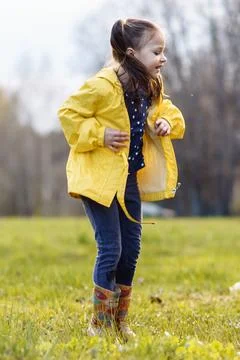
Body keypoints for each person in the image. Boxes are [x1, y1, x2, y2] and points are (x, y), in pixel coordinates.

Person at [57, 18, 185, 340]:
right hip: (100, 181)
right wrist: (99, 134)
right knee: (110, 249)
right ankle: (99, 326)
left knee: (131, 251)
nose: (163, 58)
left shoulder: (150, 87)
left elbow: (167, 110)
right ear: (131, 54)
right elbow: (68, 114)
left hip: (128, 181)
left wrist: (166, 123)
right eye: (156, 51)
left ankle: (119, 322)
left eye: (163, 51)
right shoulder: (102, 85)